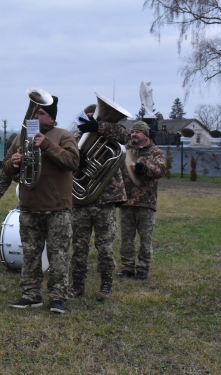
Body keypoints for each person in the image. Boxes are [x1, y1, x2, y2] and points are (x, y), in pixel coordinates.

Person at [2, 96, 79, 314]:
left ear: (52, 118)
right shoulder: (21, 137)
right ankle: (30, 294)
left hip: (57, 208)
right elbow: (6, 167)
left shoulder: (64, 136)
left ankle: (57, 297)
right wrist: (13, 163)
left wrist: (46, 145)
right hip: (29, 206)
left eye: (42, 113)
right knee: (30, 254)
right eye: (35, 112)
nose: (36, 115)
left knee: (58, 255)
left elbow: (73, 162)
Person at [68, 103, 128, 302]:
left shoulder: (112, 134)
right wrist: (78, 160)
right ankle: (77, 285)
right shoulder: (76, 138)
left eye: (94, 117)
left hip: (105, 199)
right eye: (87, 117)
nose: (90, 120)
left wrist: (99, 128)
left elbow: (125, 136)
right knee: (79, 245)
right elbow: (67, 159)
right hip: (81, 200)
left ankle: (106, 285)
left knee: (104, 247)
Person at [118, 121, 165, 281]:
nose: (134, 134)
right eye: (133, 132)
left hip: (146, 203)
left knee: (145, 239)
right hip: (126, 202)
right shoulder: (126, 150)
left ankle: (143, 268)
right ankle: (128, 267)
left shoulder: (155, 151)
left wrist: (145, 169)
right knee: (126, 238)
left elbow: (160, 170)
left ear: (145, 135)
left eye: (138, 132)